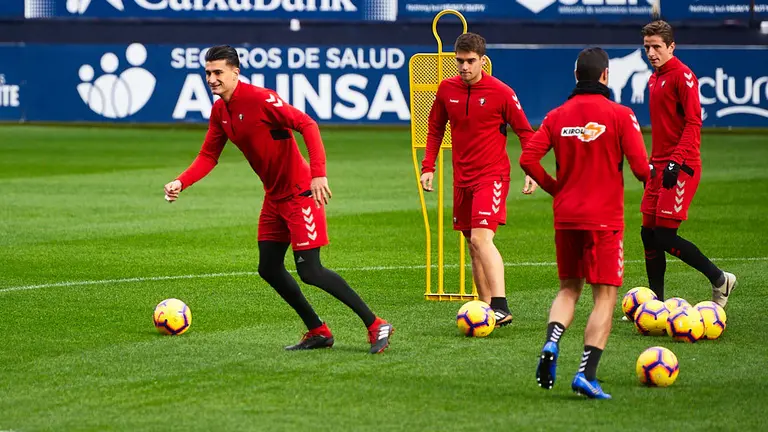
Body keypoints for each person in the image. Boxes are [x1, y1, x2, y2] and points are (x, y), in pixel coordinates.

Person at [164, 45, 393, 354]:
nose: (212, 79)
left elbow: (307, 124)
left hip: (300, 193)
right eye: (207, 73)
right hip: (274, 197)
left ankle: (376, 323)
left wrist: (318, 174)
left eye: (218, 72)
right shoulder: (221, 111)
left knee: (311, 271)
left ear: (235, 72)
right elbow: (208, 156)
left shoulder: (260, 99)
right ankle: (318, 331)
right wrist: (181, 181)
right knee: (269, 268)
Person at [520, 47, 651, 399]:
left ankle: (551, 343)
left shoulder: (556, 116)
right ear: (606, 76)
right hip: (604, 220)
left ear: (577, 76)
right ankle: (585, 374)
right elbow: (641, 169)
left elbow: (527, 158)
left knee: (568, 289)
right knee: (605, 298)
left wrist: (556, 189)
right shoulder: (621, 115)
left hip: (566, 216)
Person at [420, 32, 537, 327]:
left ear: (482, 60)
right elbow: (435, 129)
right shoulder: (446, 89)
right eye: (459, 61)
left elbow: (525, 132)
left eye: (470, 61)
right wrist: (428, 166)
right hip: (462, 178)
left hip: (492, 175)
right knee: (472, 245)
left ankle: (501, 305)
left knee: (481, 238)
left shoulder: (501, 92)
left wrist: (531, 169)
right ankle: (485, 309)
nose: (464, 67)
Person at [640, 20, 737, 307]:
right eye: (647, 47)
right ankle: (655, 303)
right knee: (648, 234)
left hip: (681, 166)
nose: (651, 53)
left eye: (657, 47)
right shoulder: (654, 78)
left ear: (671, 46)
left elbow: (694, 122)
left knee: (665, 236)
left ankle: (720, 279)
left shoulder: (683, 76)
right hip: (658, 166)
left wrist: (675, 162)